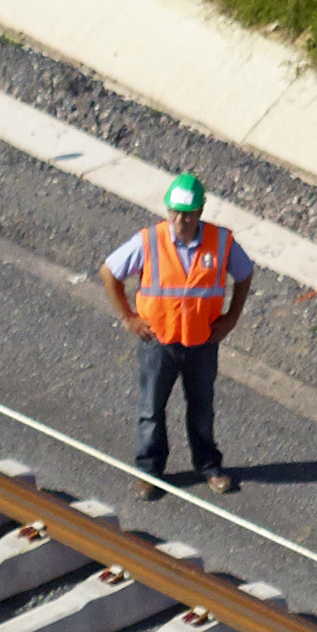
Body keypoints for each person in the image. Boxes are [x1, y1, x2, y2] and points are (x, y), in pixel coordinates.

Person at [103, 173, 254, 491]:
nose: (180, 220)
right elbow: (109, 272)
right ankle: (150, 471)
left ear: (200, 212)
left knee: (201, 408)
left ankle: (209, 465)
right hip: (158, 341)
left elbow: (244, 273)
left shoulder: (221, 242)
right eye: (175, 212)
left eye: (187, 213)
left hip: (202, 342)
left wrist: (232, 318)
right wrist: (128, 318)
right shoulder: (149, 241)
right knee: (151, 409)